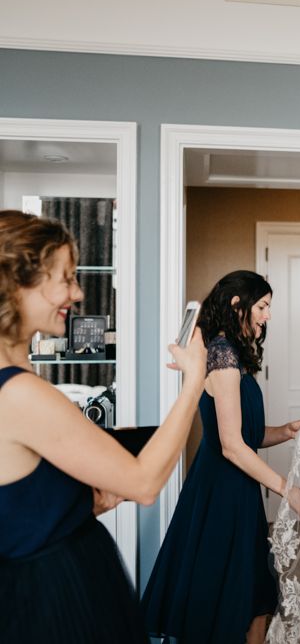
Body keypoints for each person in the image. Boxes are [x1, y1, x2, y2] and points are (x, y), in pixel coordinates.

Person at [0, 210, 207, 643]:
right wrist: (193, 383)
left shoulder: (18, 383)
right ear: (17, 283)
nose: (76, 293)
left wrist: (81, 502)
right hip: (57, 598)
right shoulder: (18, 392)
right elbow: (146, 483)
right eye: (65, 278)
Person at [142, 270, 300, 644]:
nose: (268, 316)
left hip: (239, 486)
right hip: (222, 488)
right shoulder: (221, 354)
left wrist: (283, 431)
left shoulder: (233, 354)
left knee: (253, 592)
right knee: (229, 593)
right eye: (264, 306)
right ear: (239, 305)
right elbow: (232, 446)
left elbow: (245, 435)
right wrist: (289, 490)